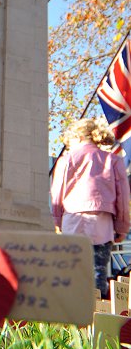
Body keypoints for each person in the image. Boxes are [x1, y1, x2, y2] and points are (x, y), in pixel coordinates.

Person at [51, 117, 130, 298]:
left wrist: (57, 220)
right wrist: (122, 226)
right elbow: (123, 197)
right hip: (102, 221)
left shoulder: (66, 159)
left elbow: (57, 194)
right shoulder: (113, 160)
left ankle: (70, 313)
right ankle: (95, 315)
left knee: (71, 269)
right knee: (98, 270)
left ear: (76, 136)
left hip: (72, 219)